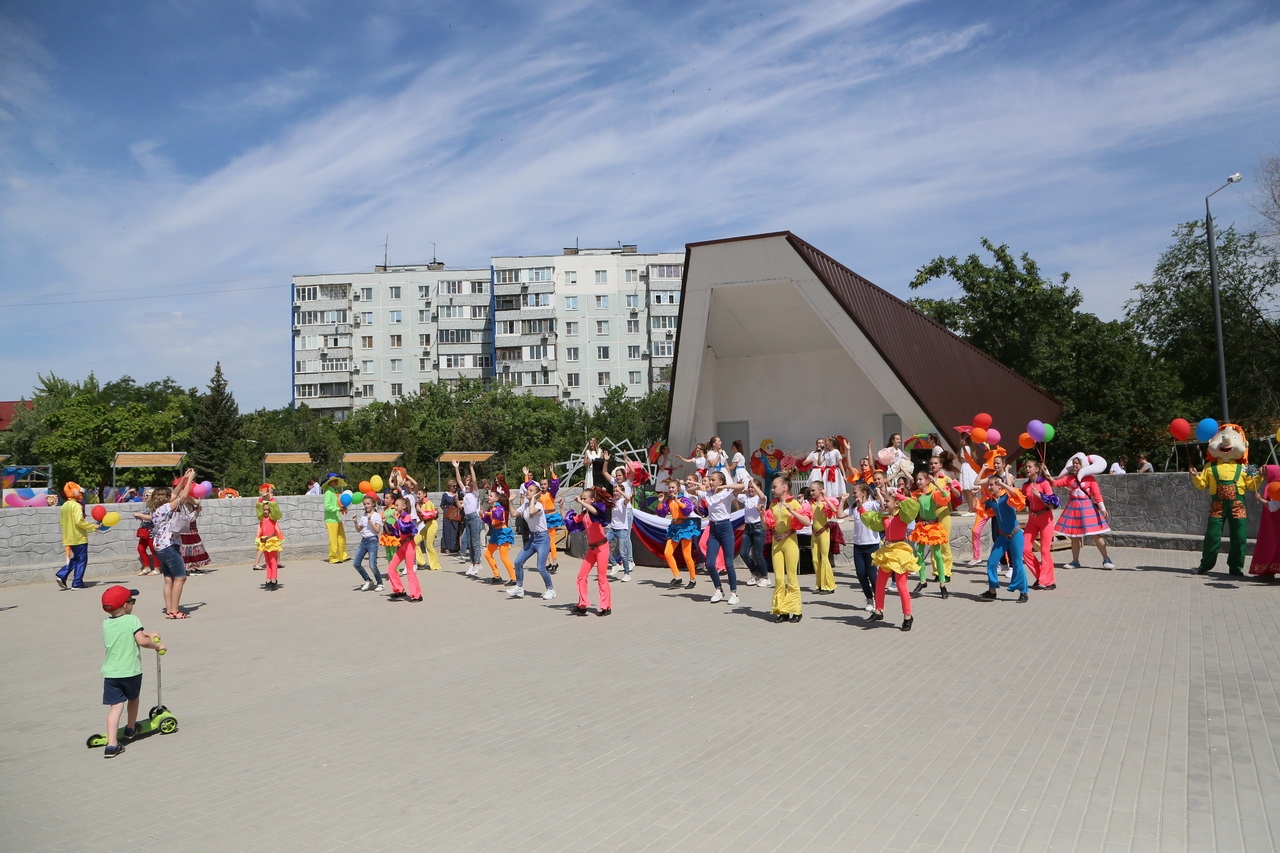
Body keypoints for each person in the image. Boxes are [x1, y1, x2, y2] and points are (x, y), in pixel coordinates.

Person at [97, 585, 165, 758]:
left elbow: (127, 634)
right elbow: (141, 641)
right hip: (130, 671)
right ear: (125, 605)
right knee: (133, 699)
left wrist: (147, 632)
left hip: (111, 673)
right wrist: (157, 646)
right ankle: (130, 728)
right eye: (132, 601)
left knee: (115, 707)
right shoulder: (132, 620)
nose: (133, 604)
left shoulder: (106, 623)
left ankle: (111, 746)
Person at [860, 490, 918, 630]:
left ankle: (907, 616)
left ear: (896, 503)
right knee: (880, 583)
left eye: (887, 501)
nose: (884, 503)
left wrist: (900, 496)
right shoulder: (884, 516)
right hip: (887, 551)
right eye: (884, 501)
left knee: (901, 585)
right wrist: (861, 508)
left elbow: (913, 507)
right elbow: (871, 520)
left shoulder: (903, 515)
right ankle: (878, 611)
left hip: (900, 552)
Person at [144, 470, 196, 619]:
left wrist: (183, 479)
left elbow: (175, 494)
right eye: (168, 496)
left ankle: (169, 610)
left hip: (160, 547)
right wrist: (191, 479)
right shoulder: (166, 508)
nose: (171, 496)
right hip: (169, 547)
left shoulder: (156, 510)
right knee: (180, 577)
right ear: (164, 498)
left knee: (168, 579)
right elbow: (183, 497)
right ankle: (175, 611)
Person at [1053, 453, 1115, 569]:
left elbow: (1097, 495)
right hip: (1073, 508)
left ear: (1083, 465)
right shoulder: (1070, 478)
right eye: (1074, 463)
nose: (1075, 465)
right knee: (1074, 536)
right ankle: (1075, 561)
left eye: (1077, 463)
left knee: (1096, 534)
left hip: (1087, 508)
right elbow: (1055, 483)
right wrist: (1045, 473)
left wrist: (1102, 509)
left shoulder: (1090, 479)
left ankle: (1106, 559)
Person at [698, 471, 746, 604]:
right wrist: (697, 486)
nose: (711, 482)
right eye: (710, 480)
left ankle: (734, 593)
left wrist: (725, 487)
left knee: (728, 562)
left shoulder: (727, 494)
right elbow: (691, 490)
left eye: (713, 480)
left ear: (720, 481)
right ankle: (718, 589)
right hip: (713, 529)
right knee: (709, 563)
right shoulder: (707, 494)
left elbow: (740, 488)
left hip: (725, 527)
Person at [768, 473, 810, 623]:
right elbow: (766, 524)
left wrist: (792, 511)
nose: (772, 489)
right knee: (779, 578)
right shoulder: (772, 504)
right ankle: (782, 610)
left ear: (784, 488)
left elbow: (806, 521)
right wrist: (761, 514)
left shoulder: (793, 503)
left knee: (791, 577)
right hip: (776, 543)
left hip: (790, 542)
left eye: (775, 486)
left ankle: (796, 610)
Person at [980, 475, 1029, 603]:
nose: (989, 487)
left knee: (1018, 563)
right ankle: (992, 591)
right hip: (1002, 536)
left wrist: (1003, 484)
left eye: (992, 485)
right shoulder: (991, 501)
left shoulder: (1007, 497)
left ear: (998, 485)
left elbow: (1018, 494)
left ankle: (1023, 592)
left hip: (1015, 535)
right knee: (991, 562)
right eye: (988, 485)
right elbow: (981, 507)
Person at [566, 487, 612, 615]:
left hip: (602, 548)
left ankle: (606, 606)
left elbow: (596, 512)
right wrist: (562, 508)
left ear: (592, 500)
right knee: (581, 576)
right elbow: (571, 522)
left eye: (585, 498)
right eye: (582, 497)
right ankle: (582, 605)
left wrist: (580, 502)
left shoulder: (597, 510)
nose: (582, 499)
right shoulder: (584, 515)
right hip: (591, 549)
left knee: (601, 578)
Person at [508, 481, 557, 600]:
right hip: (533, 538)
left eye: (531, 490)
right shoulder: (525, 505)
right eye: (527, 490)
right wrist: (509, 501)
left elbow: (531, 513)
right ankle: (519, 588)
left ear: (537, 493)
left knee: (540, 567)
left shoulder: (539, 505)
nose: (527, 492)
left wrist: (534, 499)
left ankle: (551, 590)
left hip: (543, 539)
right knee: (518, 562)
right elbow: (514, 513)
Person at [909, 471, 950, 599]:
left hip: (933, 527)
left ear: (927, 481)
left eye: (920, 479)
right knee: (919, 554)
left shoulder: (933, 494)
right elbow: (907, 503)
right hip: (922, 526)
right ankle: (922, 581)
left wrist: (935, 483)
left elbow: (945, 495)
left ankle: (942, 584)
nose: (918, 481)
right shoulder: (917, 495)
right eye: (917, 479)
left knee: (937, 555)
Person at [1021, 459, 1060, 590]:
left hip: (1045, 519)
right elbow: (1023, 501)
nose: (1027, 469)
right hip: (1032, 519)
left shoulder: (1044, 484)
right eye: (1026, 467)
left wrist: (1039, 496)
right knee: (1025, 549)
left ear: (1037, 469)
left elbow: (1053, 503)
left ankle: (1050, 581)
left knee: (1044, 550)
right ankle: (1040, 577)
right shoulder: (1025, 486)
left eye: (1030, 467)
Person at [844, 483, 881, 611]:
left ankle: (878, 599)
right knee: (861, 574)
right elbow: (839, 515)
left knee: (873, 575)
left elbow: (884, 506)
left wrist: (879, 494)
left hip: (871, 544)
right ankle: (869, 598)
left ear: (863, 493)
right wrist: (842, 500)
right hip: (858, 545)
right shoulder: (853, 506)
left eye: (855, 492)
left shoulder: (872, 505)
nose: (853, 494)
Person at [56, 482, 99, 590]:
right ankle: (77, 582)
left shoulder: (64, 505)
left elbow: (61, 522)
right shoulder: (77, 506)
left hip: (68, 536)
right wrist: (93, 526)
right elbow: (79, 522)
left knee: (77, 558)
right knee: (82, 559)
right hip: (79, 537)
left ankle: (62, 574)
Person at [656, 479, 698, 588]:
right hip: (674, 527)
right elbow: (662, 514)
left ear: (678, 488)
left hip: (684, 527)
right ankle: (677, 577)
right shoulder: (668, 501)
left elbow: (688, 510)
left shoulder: (684, 499)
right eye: (669, 488)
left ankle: (693, 579)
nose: (670, 489)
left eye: (672, 487)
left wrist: (678, 501)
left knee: (687, 555)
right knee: (667, 553)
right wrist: (660, 502)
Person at [384, 497, 423, 602]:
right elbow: (394, 532)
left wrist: (397, 520)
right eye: (395, 505)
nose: (395, 507)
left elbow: (405, 529)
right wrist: (386, 523)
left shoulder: (407, 517)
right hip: (402, 546)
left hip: (410, 545)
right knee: (391, 568)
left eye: (397, 505)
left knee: (410, 570)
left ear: (404, 506)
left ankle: (417, 595)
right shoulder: (400, 518)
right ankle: (399, 590)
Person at [452, 460, 484, 577]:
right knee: (469, 542)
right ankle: (471, 563)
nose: (466, 486)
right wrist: (456, 467)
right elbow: (459, 480)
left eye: (469, 484)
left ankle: (477, 563)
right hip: (467, 518)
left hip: (475, 518)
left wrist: (471, 467)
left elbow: (475, 481)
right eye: (466, 485)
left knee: (475, 542)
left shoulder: (475, 493)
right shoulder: (465, 493)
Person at [1248, 464, 1280, 577]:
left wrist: (1260, 499)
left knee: (1272, 545)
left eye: (1267, 475)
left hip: (1274, 524)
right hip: (1272, 522)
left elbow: (1274, 506)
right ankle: (1269, 570)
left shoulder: (1275, 486)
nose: (1266, 478)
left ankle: (1268, 569)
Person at [808, 481, 839, 595]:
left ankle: (829, 585)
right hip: (814, 533)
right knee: (815, 559)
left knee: (824, 558)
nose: (811, 492)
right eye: (810, 490)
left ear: (820, 490)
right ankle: (820, 584)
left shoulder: (825, 502)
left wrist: (825, 498)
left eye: (813, 490)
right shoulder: (811, 503)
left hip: (824, 532)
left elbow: (834, 510)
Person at [739, 477, 770, 588]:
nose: (751, 489)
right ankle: (755, 572)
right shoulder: (746, 497)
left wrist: (753, 482)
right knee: (743, 553)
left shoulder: (761, 498)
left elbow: (762, 496)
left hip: (758, 527)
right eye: (750, 488)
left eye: (753, 487)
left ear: (758, 488)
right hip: (748, 528)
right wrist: (740, 486)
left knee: (758, 554)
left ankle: (765, 576)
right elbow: (735, 494)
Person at [482, 489, 517, 585]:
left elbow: (498, 516)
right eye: (489, 496)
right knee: (487, 554)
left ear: (496, 499)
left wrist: (489, 514)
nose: (489, 497)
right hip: (495, 532)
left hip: (503, 532)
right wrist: (483, 515)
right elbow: (489, 521)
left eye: (491, 496)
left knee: (504, 557)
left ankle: (514, 578)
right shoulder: (491, 508)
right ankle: (496, 576)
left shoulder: (499, 507)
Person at [351, 494, 384, 591]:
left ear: (373, 504)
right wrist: (355, 522)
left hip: (372, 541)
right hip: (364, 541)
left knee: (372, 564)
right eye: (364, 504)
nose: (366, 506)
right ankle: (368, 580)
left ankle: (380, 583)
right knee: (356, 563)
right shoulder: (364, 516)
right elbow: (359, 529)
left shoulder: (376, 516)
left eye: (368, 504)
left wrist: (371, 521)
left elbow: (377, 530)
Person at [606, 469, 635, 582]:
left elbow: (628, 498)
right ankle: (614, 564)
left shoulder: (623, 501)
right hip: (613, 528)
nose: (615, 493)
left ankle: (627, 573)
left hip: (622, 529)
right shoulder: (613, 500)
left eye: (617, 492)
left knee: (623, 552)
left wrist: (621, 491)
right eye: (614, 491)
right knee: (602, 544)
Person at [255, 483, 284, 591]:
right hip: (264, 541)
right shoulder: (262, 518)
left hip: (272, 540)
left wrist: (271, 497)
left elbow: (275, 507)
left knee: (273, 561)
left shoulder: (273, 518)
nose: (266, 511)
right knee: (267, 562)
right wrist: (262, 497)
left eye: (267, 509)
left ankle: (274, 579)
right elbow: (258, 507)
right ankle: (268, 579)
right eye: (264, 510)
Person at [321, 473, 350, 564]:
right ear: (330, 482)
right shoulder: (328, 493)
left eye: (336, 480)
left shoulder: (335, 492)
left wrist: (342, 508)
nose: (336, 482)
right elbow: (327, 506)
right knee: (333, 539)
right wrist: (338, 508)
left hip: (337, 518)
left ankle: (342, 555)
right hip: (331, 520)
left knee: (341, 537)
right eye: (334, 480)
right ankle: (333, 557)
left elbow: (337, 504)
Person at [415, 490, 441, 571]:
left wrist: (419, 510)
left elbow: (429, 515)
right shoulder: (421, 504)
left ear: (424, 494)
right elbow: (422, 518)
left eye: (419, 494)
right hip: (426, 525)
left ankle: (435, 565)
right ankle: (421, 562)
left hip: (432, 524)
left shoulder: (428, 503)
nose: (418, 495)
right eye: (417, 494)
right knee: (414, 542)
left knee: (429, 546)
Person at [440, 480, 462, 554]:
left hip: (455, 512)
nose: (455, 487)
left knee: (455, 529)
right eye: (453, 486)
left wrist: (457, 498)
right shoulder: (445, 494)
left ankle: (455, 547)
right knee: (447, 530)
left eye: (456, 486)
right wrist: (447, 511)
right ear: (449, 486)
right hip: (448, 512)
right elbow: (442, 505)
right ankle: (447, 547)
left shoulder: (457, 494)